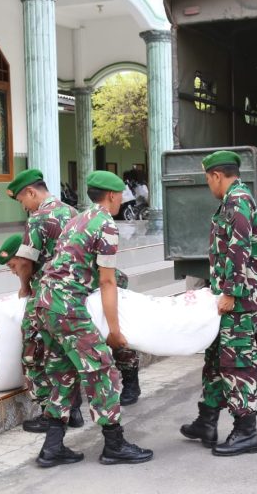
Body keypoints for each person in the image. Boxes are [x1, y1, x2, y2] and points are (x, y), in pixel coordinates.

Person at [33, 170, 153, 467]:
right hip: (68, 306)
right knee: (102, 370)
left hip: (46, 303)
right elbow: (108, 282)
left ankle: (52, 447)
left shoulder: (78, 219)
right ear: (112, 196)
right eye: (120, 196)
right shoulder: (106, 224)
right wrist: (114, 331)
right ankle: (114, 443)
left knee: (63, 372)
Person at [181, 150, 257, 457]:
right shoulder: (231, 200)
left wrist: (231, 292)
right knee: (216, 359)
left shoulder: (239, 200)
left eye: (208, 179)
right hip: (230, 297)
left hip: (242, 300)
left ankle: (246, 431)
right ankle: (206, 421)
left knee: (237, 362)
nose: (209, 185)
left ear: (217, 176)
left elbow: (239, 250)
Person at [2, 169, 84, 433]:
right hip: (73, 295)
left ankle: (51, 412)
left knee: (33, 353)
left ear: (31, 192)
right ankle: (75, 409)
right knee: (66, 351)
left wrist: (25, 287)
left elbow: (25, 261)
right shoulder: (73, 213)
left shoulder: (38, 219)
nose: (24, 206)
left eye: (22, 201)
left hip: (45, 296)